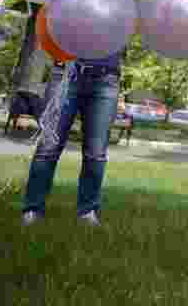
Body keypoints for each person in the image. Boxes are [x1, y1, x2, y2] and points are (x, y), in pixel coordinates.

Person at [21, 51, 125, 226]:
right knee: (48, 147)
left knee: (96, 152)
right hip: (66, 74)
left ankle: (87, 211)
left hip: (106, 78)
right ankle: (33, 209)